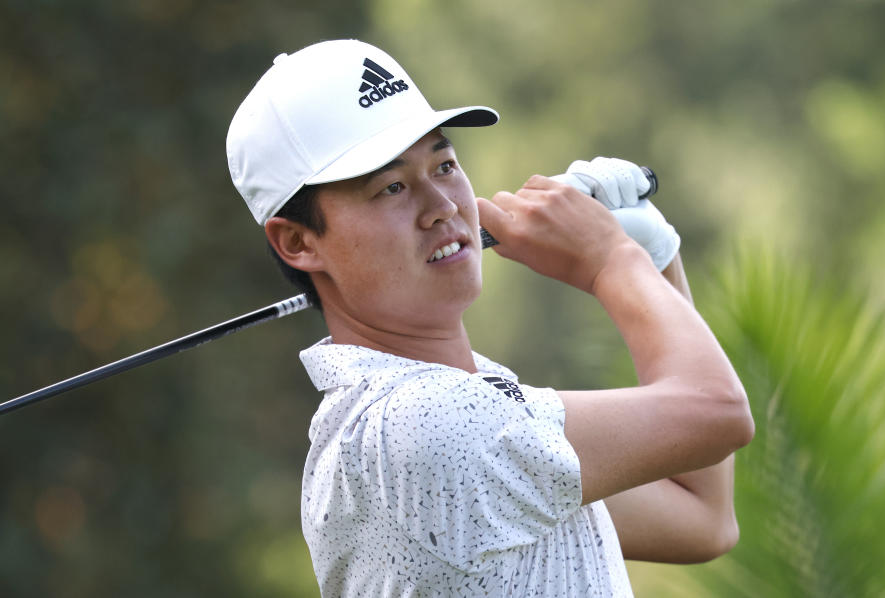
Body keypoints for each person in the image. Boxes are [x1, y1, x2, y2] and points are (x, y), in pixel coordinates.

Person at [226, 39, 754, 597]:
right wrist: (610, 260)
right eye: (392, 188)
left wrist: (657, 259)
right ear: (298, 242)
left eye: (445, 165)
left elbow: (702, 518)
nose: (443, 206)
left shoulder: (459, 411)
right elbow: (718, 414)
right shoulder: (419, 426)